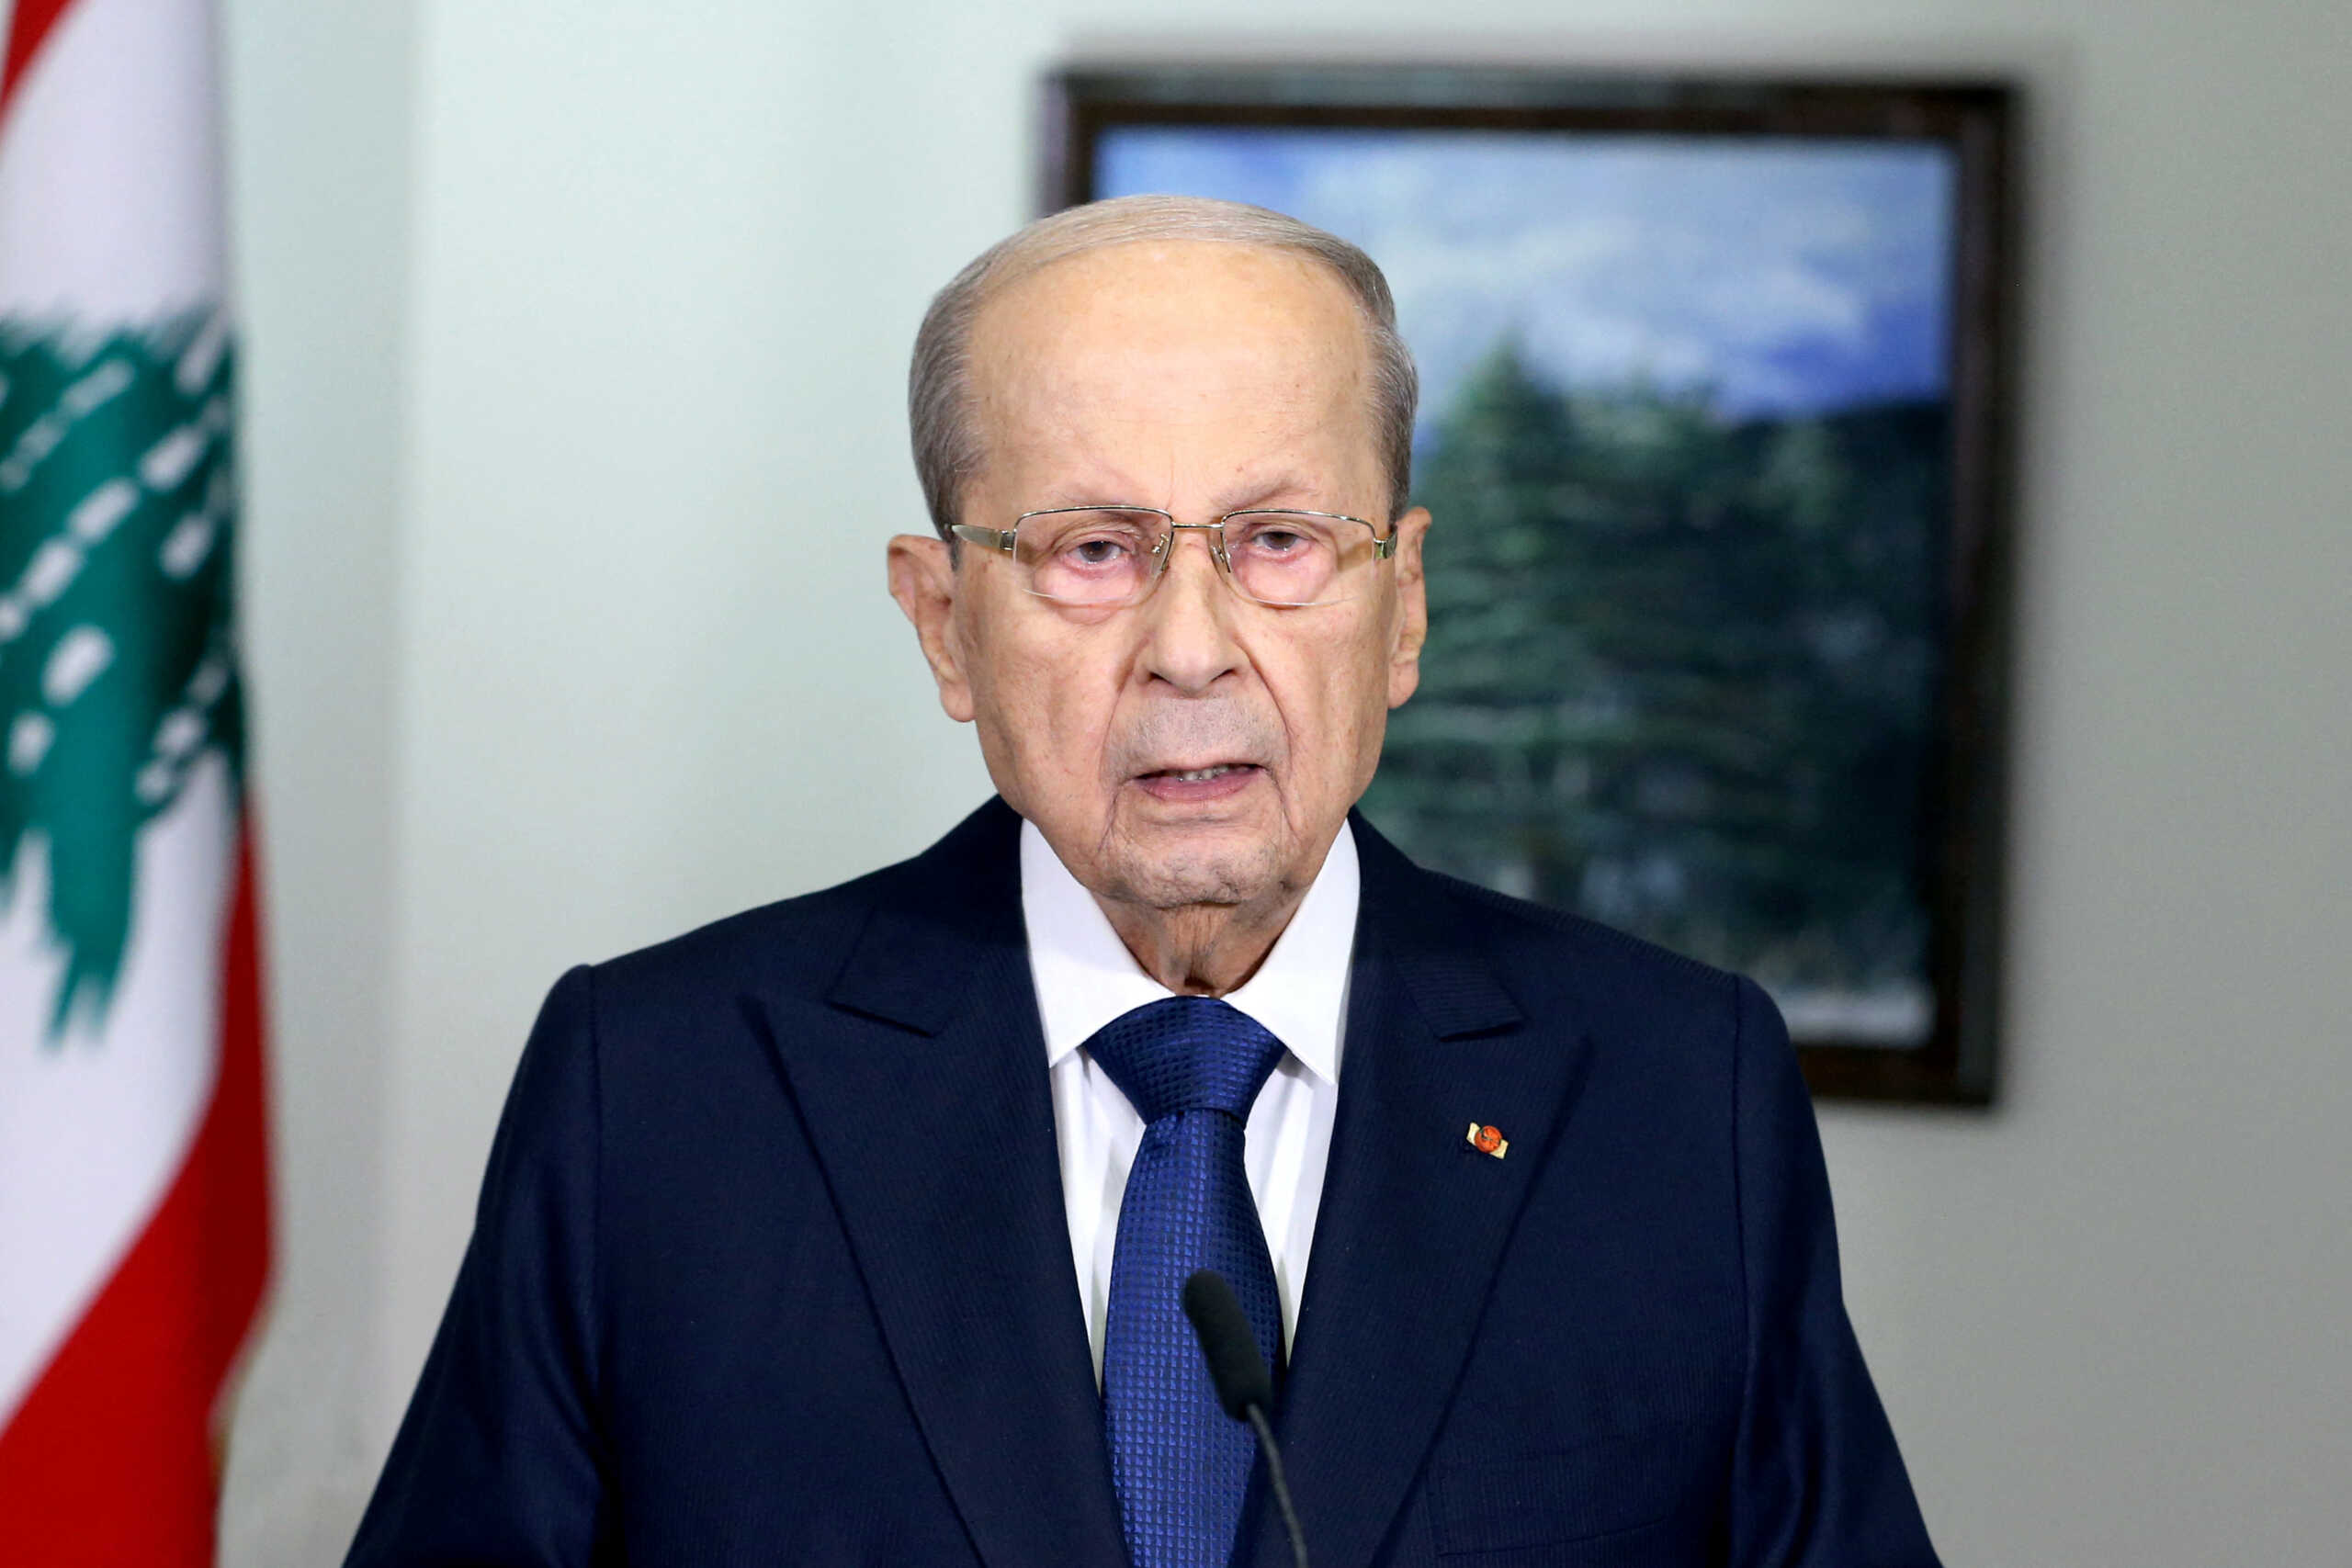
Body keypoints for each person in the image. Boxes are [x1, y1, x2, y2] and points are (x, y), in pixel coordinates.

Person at [345, 196, 1940, 1567]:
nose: (1191, 647)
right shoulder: (662, 1095)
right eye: (1092, 549)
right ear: (940, 621)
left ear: (1404, 608)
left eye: (1279, 541)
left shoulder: (1675, 1099)